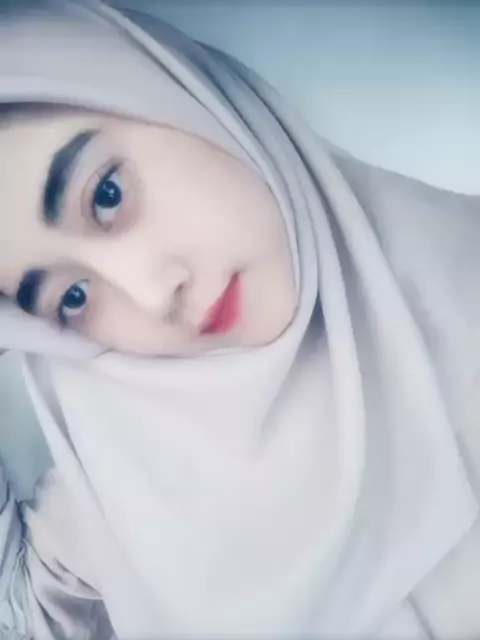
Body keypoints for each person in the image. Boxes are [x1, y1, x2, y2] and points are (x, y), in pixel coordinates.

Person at [0, 1, 479, 638]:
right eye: (73, 297)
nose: (152, 294)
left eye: (107, 194)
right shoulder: (122, 474)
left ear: (179, 93)